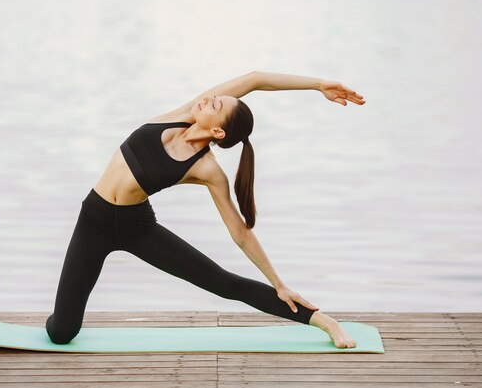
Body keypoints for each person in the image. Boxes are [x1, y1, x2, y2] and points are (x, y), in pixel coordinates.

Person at [45, 70, 366, 349]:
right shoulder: (181, 114)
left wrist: (278, 283)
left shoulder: (207, 169)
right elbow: (256, 79)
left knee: (225, 284)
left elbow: (239, 232)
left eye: (215, 104)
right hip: (92, 221)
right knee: (62, 333)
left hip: (136, 228)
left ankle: (324, 321)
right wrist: (318, 84)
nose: (208, 99)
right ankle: (61, 315)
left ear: (218, 132)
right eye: (214, 97)